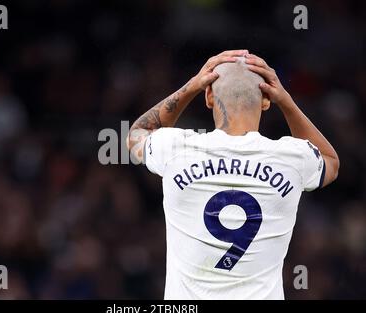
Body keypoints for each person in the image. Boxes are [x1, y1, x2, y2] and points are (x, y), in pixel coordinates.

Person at [126, 50, 339, 299]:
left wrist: (193, 84)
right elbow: (331, 162)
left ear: (208, 97)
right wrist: (287, 101)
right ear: (266, 101)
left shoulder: (177, 149)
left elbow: (138, 133)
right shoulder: (291, 157)